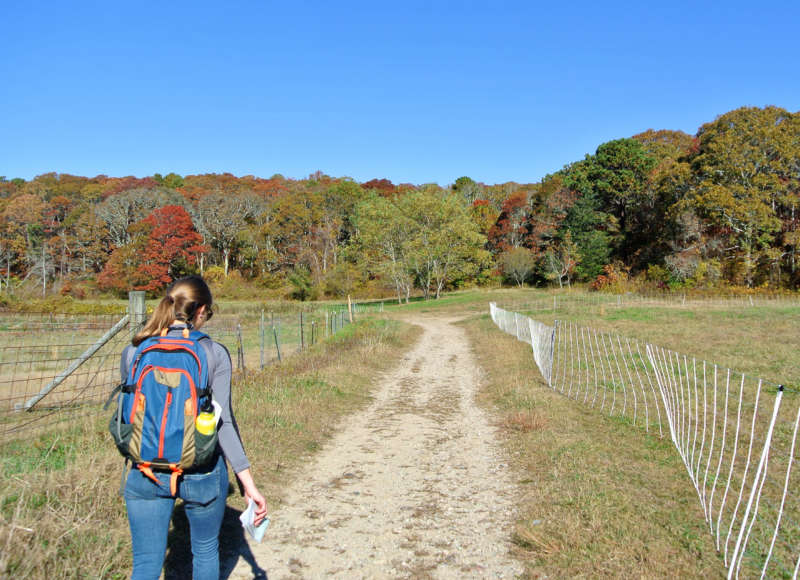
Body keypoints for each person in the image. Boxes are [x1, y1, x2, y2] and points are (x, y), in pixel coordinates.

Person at [120, 275, 268, 580]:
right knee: (204, 551)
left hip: (145, 469)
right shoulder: (213, 353)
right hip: (201, 471)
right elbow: (222, 422)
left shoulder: (134, 351)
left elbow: (130, 416)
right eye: (208, 313)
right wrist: (247, 483)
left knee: (145, 565)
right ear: (200, 310)